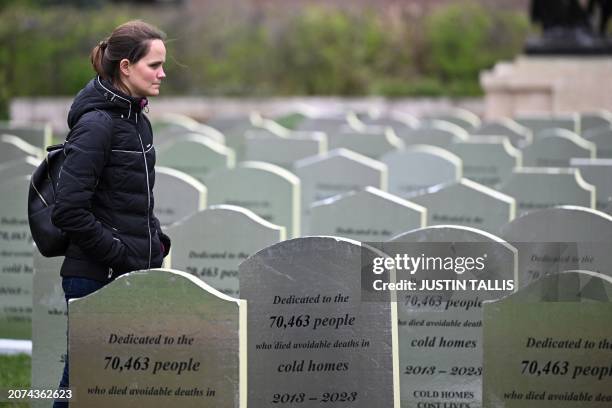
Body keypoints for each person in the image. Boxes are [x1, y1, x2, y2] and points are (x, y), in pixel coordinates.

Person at [50, 20, 171, 407]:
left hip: (130, 273)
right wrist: (119, 254)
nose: (162, 74)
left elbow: (133, 198)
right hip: (96, 279)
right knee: (81, 392)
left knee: (117, 393)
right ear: (125, 67)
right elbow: (68, 209)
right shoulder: (97, 124)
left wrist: (155, 241)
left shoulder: (136, 121)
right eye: (154, 65)